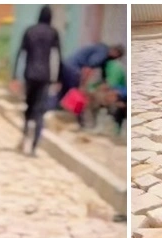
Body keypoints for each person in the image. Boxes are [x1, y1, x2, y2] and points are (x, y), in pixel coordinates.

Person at [9, 5, 62, 156]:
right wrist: (57, 79)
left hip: (29, 75)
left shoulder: (30, 31)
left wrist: (15, 76)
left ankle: (25, 134)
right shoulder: (53, 33)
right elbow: (57, 57)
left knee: (29, 107)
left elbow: (20, 54)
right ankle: (33, 147)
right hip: (45, 77)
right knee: (40, 111)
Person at [56, 42, 125, 127]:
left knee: (65, 92)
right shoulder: (103, 53)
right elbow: (88, 68)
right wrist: (82, 85)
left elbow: (104, 76)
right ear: (115, 52)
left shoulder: (102, 52)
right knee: (74, 93)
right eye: (116, 57)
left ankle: (62, 113)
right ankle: (73, 119)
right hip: (73, 69)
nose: (114, 60)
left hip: (68, 65)